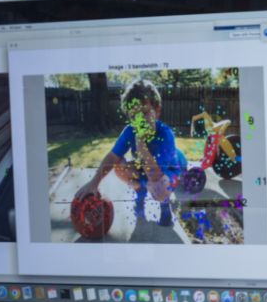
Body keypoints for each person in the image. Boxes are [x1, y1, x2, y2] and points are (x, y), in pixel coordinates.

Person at [75, 78, 187, 227]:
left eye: (145, 113)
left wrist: (141, 147)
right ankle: (140, 190)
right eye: (134, 116)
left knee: (160, 190)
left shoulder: (165, 135)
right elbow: (112, 156)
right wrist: (94, 183)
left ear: (157, 110)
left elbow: (157, 176)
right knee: (118, 164)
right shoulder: (130, 131)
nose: (139, 121)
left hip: (169, 171)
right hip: (146, 171)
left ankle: (165, 206)